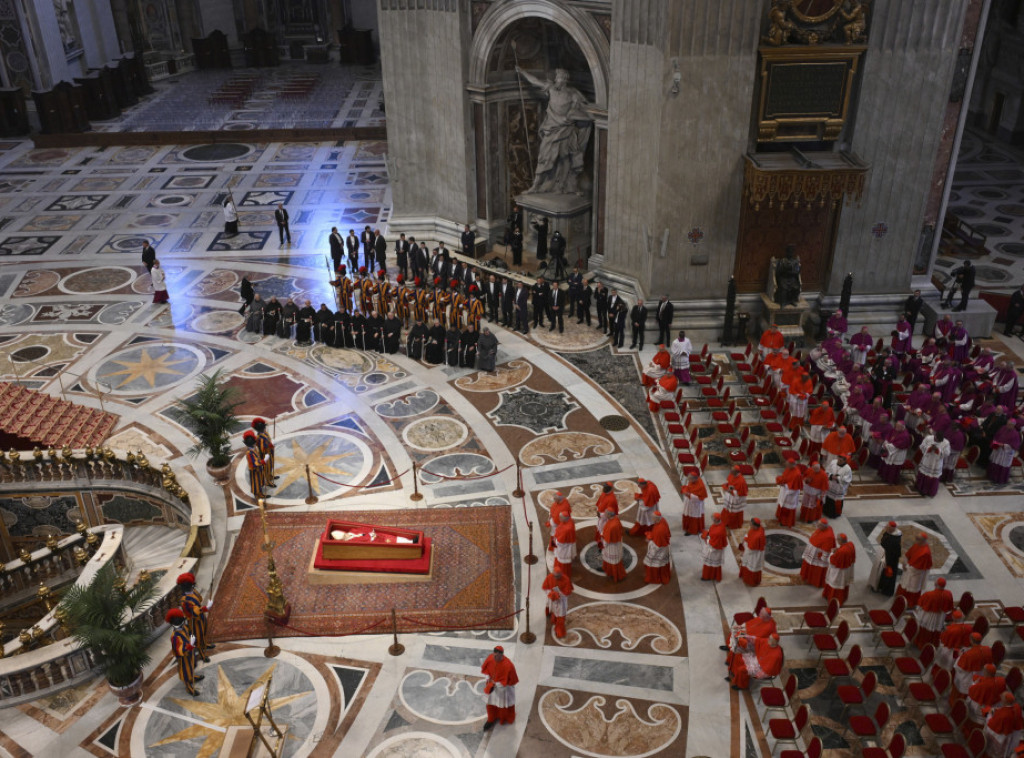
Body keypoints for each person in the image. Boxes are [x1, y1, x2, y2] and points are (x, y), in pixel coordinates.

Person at [514, 66, 594, 195]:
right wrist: (522, 71)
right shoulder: (550, 88)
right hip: (551, 129)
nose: (558, 80)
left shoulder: (573, 93)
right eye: (557, 77)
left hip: (567, 129)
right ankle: (536, 186)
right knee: (544, 158)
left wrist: (570, 116)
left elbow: (585, 110)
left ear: (565, 80)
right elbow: (534, 81)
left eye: (561, 78)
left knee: (567, 158)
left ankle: (570, 186)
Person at [177, 572, 214, 663]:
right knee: (198, 637)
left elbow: (200, 599)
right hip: (194, 621)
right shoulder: (184, 601)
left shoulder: (193, 592)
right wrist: (206, 608)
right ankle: (202, 654)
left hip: (201, 617)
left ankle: (205, 644)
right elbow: (193, 612)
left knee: (204, 631)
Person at [480, 646, 518, 730]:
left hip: (503, 690)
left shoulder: (508, 665)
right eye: (494, 655)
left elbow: (511, 680)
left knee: (502, 705)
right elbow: (486, 670)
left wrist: (497, 684)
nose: (496, 658)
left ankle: (502, 718)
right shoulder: (490, 658)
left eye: (498, 656)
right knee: (490, 704)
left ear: (502, 655)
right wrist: (487, 677)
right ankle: (491, 719)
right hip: (491, 686)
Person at [167, 608, 202, 696]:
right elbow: (178, 650)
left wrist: (192, 637)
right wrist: (189, 645)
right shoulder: (175, 636)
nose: (180, 626)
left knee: (193, 665)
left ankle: (192, 677)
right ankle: (188, 686)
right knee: (186, 671)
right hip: (183, 657)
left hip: (190, 652)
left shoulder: (184, 627)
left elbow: (189, 632)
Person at [952, 634, 994, 706]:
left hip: (968, 679)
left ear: (971, 640)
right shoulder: (988, 649)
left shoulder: (968, 655)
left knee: (960, 693)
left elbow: (958, 668)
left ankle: (956, 705)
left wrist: (960, 656)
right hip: (981, 676)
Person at [914, 577, 954, 648]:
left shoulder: (929, 594)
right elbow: (949, 608)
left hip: (928, 617)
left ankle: (921, 644)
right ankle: (933, 646)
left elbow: (920, 606)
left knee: (925, 631)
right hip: (940, 618)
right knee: (935, 631)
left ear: (935, 584)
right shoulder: (949, 594)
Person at [896, 532, 933, 608]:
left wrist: (907, 567)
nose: (916, 541)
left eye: (918, 539)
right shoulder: (917, 544)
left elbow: (919, 568)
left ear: (923, 541)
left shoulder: (926, 553)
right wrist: (904, 562)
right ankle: (899, 599)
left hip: (916, 574)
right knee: (904, 584)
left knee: (912, 588)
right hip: (909, 569)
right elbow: (908, 554)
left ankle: (909, 604)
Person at [983, 692, 1023, 758]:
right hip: (1010, 733)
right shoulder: (1016, 707)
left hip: (1000, 735)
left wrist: (989, 716)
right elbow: (1003, 710)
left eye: (1002, 698)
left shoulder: (1004, 716)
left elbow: (992, 725)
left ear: (1005, 701)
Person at [869, 521, 902, 596]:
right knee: (878, 571)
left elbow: (894, 554)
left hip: (888, 560)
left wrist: (886, 562)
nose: (885, 528)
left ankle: (882, 588)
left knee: (883, 574)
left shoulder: (895, 540)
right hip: (882, 555)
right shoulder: (888, 533)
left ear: (892, 529)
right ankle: (876, 585)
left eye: (887, 527)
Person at [800, 520, 835, 588]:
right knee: (808, 564)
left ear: (824, 526)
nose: (817, 526)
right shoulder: (822, 529)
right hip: (812, 551)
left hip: (817, 555)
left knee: (816, 570)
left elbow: (827, 549)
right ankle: (806, 577)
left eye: (819, 525)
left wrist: (823, 558)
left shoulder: (829, 537)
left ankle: (814, 581)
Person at [823, 534, 856, 605]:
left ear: (841, 540)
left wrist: (832, 552)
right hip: (847, 569)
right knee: (843, 583)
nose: (836, 540)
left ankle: (832, 598)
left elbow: (831, 561)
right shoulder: (851, 544)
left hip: (839, 572)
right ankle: (843, 597)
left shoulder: (841, 552)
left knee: (836, 584)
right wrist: (838, 549)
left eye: (837, 539)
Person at [916, 431, 950, 496]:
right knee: (924, 474)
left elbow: (947, 453)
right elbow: (922, 446)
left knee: (933, 477)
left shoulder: (946, 443)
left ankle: (931, 491)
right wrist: (929, 448)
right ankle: (921, 488)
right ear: (935, 436)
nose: (938, 441)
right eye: (937, 439)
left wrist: (938, 450)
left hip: (936, 463)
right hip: (927, 460)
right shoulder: (928, 438)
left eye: (940, 440)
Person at [989, 420, 1021, 484]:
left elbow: (1014, 446)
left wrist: (1003, 445)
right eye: (1007, 424)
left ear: (1013, 425)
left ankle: (1000, 479)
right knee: (995, 461)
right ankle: (992, 477)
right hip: (998, 449)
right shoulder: (1003, 428)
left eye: (1009, 425)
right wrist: (995, 441)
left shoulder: (1015, 434)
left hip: (1006, 452)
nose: (1007, 426)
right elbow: (997, 435)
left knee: (1002, 465)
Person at [643, 511, 672, 584]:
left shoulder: (660, 530)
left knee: (652, 562)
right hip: (662, 547)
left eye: (653, 518)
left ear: (656, 519)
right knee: (660, 563)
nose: (651, 519)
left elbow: (657, 545)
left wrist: (649, 541)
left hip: (658, 549)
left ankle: (654, 578)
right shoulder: (662, 520)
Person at [542, 569, 572, 639]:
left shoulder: (566, 580)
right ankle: (553, 619)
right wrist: (551, 593)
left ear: (561, 574)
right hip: (552, 599)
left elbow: (567, 592)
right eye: (555, 576)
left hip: (561, 602)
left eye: (558, 576)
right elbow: (544, 587)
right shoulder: (550, 577)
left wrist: (558, 594)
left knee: (560, 617)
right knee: (552, 610)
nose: (556, 578)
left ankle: (559, 631)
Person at [700, 512, 729, 581]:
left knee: (709, 563)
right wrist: (707, 534)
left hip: (715, 549)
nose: (712, 520)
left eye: (713, 518)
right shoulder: (718, 524)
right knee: (712, 563)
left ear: (716, 519)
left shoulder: (719, 531)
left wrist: (706, 540)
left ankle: (707, 576)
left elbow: (715, 542)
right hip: (713, 545)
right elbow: (711, 532)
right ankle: (714, 575)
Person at [774, 459, 803, 527]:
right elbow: (785, 477)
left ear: (792, 464)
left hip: (791, 493)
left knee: (787, 508)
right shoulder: (788, 469)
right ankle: (779, 517)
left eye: (787, 465)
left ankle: (785, 522)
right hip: (785, 490)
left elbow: (795, 486)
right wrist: (781, 480)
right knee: (782, 504)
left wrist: (785, 485)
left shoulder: (797, 474)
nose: (786, 466)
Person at [739, 518, 766, 586]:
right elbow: (750, 534)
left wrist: (744, 545)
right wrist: (745, 539)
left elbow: (750, 549)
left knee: (751, 566)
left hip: (754, 554)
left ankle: (750, 581)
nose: (750, 526)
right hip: (753, 550)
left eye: (751, 525)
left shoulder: (758, 536)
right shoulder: (760, 528)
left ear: (755, 526)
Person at [601, 512, 626, 582]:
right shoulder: (615, 519)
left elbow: (607, 539)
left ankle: (616, 575)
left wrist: (604, 544)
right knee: (613, 560)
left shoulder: (612, 526)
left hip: (611, 545)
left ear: (609, 515)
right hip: (616, 542)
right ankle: (608, 570)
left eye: (606, 513)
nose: (604, 514)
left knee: (613, 561)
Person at [243, 431, 267, 499]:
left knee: (260, 481)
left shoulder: (254, 449)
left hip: (258, 469)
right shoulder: (249, 453)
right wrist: (262, 461)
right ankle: (257, 495)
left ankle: (260, 493)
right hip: (254, 471)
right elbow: (254, 463)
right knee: (256, 483)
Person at [252, 417, 276, 484]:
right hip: (266, 455)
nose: (264, 428)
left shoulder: (265, 433)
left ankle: (270, 476)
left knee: (271, 465)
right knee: (267, 468)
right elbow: (262, 449)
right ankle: (268, 481)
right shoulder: (259, 438)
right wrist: (270, 445)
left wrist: (271, 443)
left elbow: (269, 440)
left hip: (270, 453)